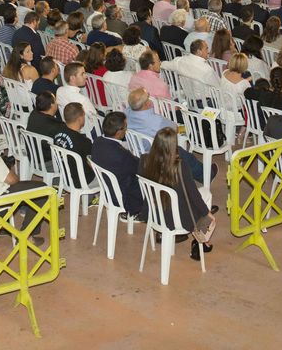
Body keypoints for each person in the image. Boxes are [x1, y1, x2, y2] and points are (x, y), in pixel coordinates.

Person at [140, 127, 214, 260]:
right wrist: (207, 214)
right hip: (179, 219)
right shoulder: (181, 166)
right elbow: (194, 196)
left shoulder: (144, 160)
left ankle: (200, 242)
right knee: (206, 193)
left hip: (154, 213)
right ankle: (200, 241)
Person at [90, 111, 147, 219]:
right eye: (125, 127)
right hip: (124, 198)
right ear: (118, 132)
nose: (126, 129)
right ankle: (139, 213)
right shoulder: (121, 155)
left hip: (107, 190)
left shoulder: (97, 142)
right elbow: (140, 167)